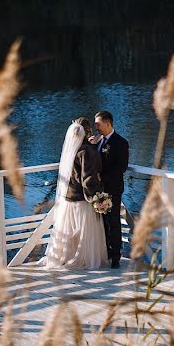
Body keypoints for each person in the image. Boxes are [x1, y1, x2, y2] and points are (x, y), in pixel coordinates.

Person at [38, 118, 109, 269]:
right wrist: (97, 198)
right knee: (84, 234)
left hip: (68, 199)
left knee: (68, 232)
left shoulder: (70, 151)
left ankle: (65, 257)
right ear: (87, 132)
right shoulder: (88, 151)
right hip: (82, 200)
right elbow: (88, 180)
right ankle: (85, 259)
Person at [91, 111, 129, 268]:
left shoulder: (121, 142)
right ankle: (105, 251)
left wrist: (102, 176)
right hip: (100, 190)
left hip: (113, 189)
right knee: (102, 222)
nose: (96, 127)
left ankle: (115, 256)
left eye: (98, 124)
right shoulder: (98, 141)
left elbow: (121, 167)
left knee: (113, 221)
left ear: (108, 124)